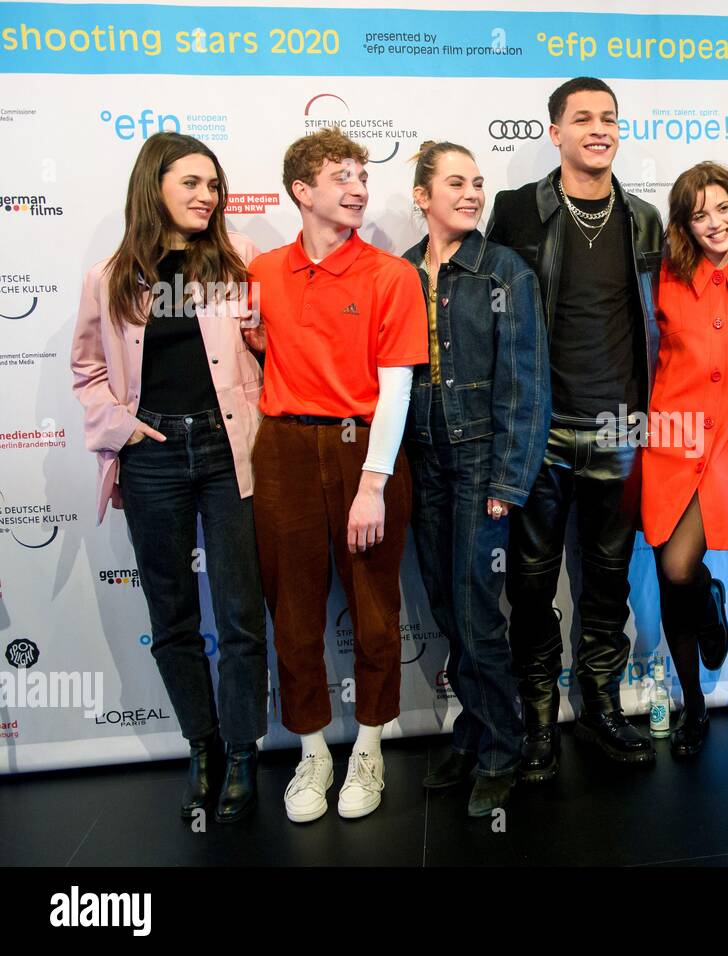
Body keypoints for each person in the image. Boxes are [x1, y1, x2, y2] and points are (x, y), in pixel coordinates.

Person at [71, 131, 267, 823]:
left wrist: (262, 328)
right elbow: (88, 371)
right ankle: (203, 745)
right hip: (151, 455)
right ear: (154, 185)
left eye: (213, 186)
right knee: (173, 614)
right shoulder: (111, 276)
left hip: (226, 451)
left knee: (242, 613)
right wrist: (122, 429)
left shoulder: (238, 258)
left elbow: (265, 345)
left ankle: (243, 751)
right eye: (191, 183)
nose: (206, 197)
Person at [248, 127, 428, 823]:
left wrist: (373, 482)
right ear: (302, 191)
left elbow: (397, 388)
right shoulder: (261, 273)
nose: (358, 187)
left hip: (367, 449)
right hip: (286, 450)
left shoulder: (391, 275)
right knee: (291, 613)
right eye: (341, 175)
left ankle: (371, 749)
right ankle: (313, 751)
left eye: (361, 175)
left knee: (376, 610)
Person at [486, 77, 663, 780]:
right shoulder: (517, 212)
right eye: (583, 118)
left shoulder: (645, 220)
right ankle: (536, 720)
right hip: (540, 433)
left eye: (609, 118)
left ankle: (601, 708)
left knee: (607, 583)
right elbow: (479, 299)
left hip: (621, 431)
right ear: (554, 131)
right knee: (530, 586)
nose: (599, 128)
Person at [401, 141, 549, 816]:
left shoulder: (504, 271)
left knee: (477, 610)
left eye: (478, 183)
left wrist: (509, 479)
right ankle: (475, 725)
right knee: (442, 603)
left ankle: (501, 747)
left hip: (481, 461)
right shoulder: (401, 273)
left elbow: (525, 382)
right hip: (422, 460)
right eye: (455, 182)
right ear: (421, 195)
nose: (470, 193)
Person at [640, 162, 728, 757]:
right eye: (699, 214)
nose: (714, 223)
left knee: (680, 568)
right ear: (683, 224)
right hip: (672, 437)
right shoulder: (663, 272)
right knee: (676, 571)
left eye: (723, 208)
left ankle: (710, 608)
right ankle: (694, 704)